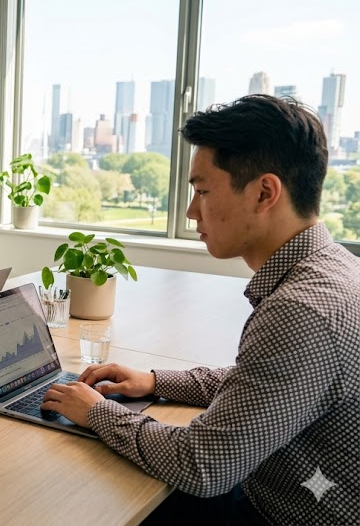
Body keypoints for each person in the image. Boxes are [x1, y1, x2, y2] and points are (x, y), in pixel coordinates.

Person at [41, 95, 359, 524]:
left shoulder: (300, 311)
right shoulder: (337, 269)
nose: (192, 211)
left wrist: (97, 412)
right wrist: (155, 381)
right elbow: (261, 383)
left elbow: (202, 465)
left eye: (203, 191)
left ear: (264, 193)